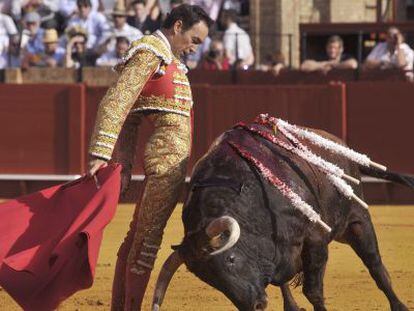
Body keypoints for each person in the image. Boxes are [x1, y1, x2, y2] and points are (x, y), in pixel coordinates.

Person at [87, 4, 212, 310]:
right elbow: (117, 103)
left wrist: (126, 162)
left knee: (137, 238)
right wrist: (102, 153)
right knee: (147, 243)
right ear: (178, 26)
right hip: (165, 163)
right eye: (194, 39)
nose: (195, 48)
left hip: (165, 160)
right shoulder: (151, 52)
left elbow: (130, 115)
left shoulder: (167, 59)